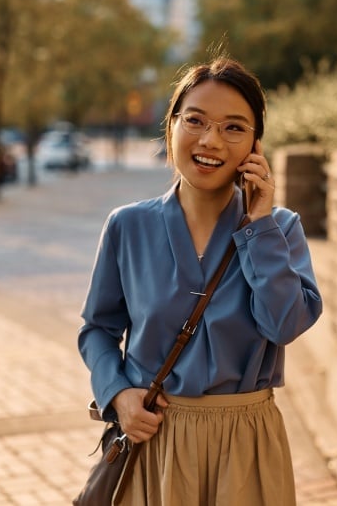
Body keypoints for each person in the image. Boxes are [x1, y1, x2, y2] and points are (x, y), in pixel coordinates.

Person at [77, 56, 323, 505]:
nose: (210, 139)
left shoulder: (281, 230)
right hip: (155, 441)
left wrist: (259, 226)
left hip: (247, 445)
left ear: (255, 145)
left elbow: (284, 325)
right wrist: (117, 395)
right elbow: (97, 329)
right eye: (195, 120)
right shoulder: (127, 226)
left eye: (234, 127)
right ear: (170, 126)